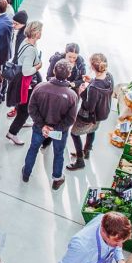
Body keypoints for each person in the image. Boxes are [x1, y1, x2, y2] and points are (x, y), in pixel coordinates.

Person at [21, 59, 78, 190]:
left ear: (54, 71)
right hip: (59, 131)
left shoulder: (40, 87)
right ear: (69, 74)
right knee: (58, 153)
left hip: (39, 128)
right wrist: (54, 129)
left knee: (33, 149)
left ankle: (26, 173)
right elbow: (70, 119)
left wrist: (43, 126)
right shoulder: (71, 95)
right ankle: (57, 178)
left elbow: (31, 109)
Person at [67, 53, 114, 170]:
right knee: (92, 130)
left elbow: (89, 107)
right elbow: (102, 87)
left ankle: (79, 160)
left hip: (88, 116)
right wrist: (91, 80)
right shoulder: (109, 76)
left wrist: (82, 92)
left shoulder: (93, 87)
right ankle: (87, 151)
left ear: (92, 67)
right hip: (101, 114)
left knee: (74, 133)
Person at [6, 21, 43, 146]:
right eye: (40, 31)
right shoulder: (31, 50)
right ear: (36, 33)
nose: (41, 33)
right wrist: (38, 66)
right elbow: (27, 71)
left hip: (21, 81)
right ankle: (12, 132)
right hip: (25, 84)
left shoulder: (26, 41)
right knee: (24, 110)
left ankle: (22, 122)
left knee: (23, 107)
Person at [6, 10, 29, 119]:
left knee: (18, 90)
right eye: (13, 22)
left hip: (21, 68)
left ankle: (17, 109)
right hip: (17, 63)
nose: (13, 25)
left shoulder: (24, 37)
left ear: (23, 24)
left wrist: (15, 64)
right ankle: (16, 107)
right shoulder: (21, 32)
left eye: (16, 24)